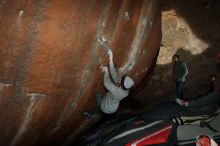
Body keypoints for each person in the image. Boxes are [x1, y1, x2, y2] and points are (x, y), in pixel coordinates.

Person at [83, 50, 134, 118]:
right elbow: (114, 76)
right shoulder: (125, 89)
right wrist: (111, 61)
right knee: (103, 100)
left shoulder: (118, 92)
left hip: (108, 108)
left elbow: (107, 83)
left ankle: (91, 112)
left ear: (121, 84)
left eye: (121, 79)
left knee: (97, 94)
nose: (120, 78)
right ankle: (93, 111)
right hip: (111, 103)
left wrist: (106, 72)